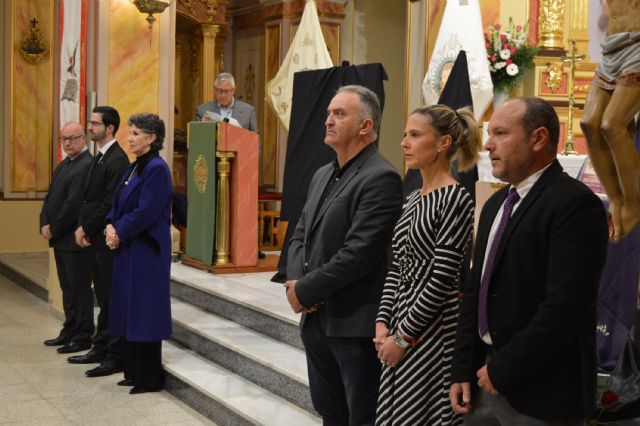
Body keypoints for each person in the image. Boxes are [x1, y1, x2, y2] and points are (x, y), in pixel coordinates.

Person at [449, 97, 609, 424]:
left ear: (538, 139)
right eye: (489, 134)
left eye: (501, 134)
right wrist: (462, 367)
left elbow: (564, 308)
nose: (489, 145)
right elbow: (475, 291)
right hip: (483, 377)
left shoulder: (576, 205)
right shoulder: (496, 204)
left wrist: (504, 369)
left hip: (542, 390)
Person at [285, 85, 404, 425]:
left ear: (365, 126)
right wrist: (297, 283)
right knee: (329, 412)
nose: (328, 120)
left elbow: (359, 253)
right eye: (328, 113)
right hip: (316, 321)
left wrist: (307, 290)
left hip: (354, 322)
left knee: (360, 416)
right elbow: (300, 235)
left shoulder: (380, 176)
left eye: (339, 114)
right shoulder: (323, 174)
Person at [375, 105, 481, 425]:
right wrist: (382, 322)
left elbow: (441, 279)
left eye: (415, 135)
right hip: (400, 322)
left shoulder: (455, 198)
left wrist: (404, 337)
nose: (404, 143)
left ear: (443, 143)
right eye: (405, 135)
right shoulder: (412, 198)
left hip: (431, 330)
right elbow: (397, 267)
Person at [105, 113, 173, 394]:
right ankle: (133, 372)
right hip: (130, 247)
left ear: (152, 138)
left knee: (145, 311)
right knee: (130, 309)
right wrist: (110, 224)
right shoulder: (136, 167)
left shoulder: (157, 168)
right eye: (130, 132)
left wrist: (118, 230)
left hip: (147, 250)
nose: (129, 138)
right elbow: (118, 200)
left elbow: (146, 211)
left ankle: (149, 378)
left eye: (135, 133)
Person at [69, 106, 130, 377]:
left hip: (104, 239)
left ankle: (112, 354)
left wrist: (86, 227)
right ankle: (100, 346)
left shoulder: (117, 159)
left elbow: (109, 202)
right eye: (90, 122)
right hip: (93, 236)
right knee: (103, 296)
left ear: (110, 128)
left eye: (95, 124)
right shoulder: (101, 156)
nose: (90, 127)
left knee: (109, 298)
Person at [580, 0, 640, 242]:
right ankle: (615, 198)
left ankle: (634, 203)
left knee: (612, 125)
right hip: (612, 46)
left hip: (638, 44)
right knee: (590, 124)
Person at [41, 122, 94, 354]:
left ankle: (83, 335)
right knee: (67, 288)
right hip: (60, 237)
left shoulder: (85, 165)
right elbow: (51, 196)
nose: (68, 143)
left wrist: (55, 228)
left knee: (79, 290)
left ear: (84, 139)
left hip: (73, 239)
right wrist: (43, 222)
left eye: (73, 138)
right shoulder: (64, 165)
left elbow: (73, 204)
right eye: (64, 139)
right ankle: (70, 330)